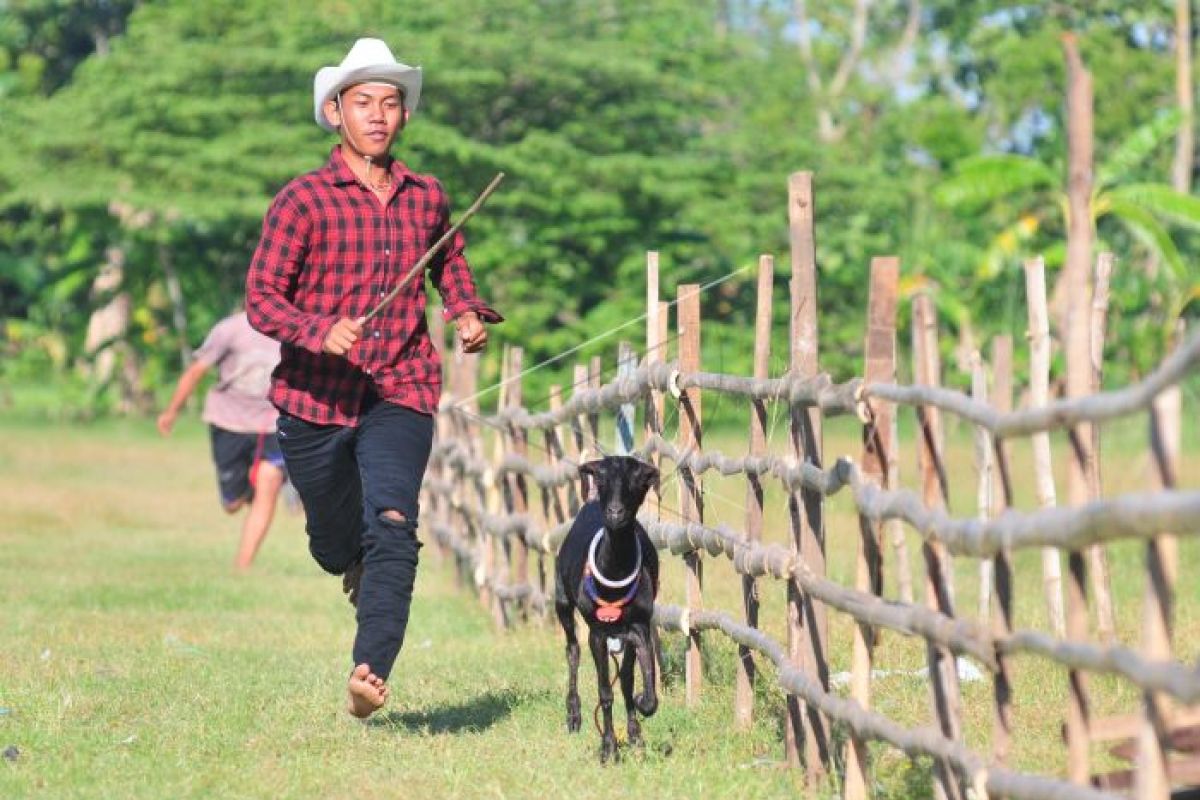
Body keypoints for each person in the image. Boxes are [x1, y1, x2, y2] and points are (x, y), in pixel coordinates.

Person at [245, 37, 501, 719]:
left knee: (392, 520)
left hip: (402, 389)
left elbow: (450, 266)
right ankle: (347, 558)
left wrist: (467, 311)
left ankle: (370, 670)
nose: (379, 115)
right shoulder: (302, 201)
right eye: (364, 102)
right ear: (335, 112)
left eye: (391, 103)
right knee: (336, 544)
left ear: (405, 116)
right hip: (314, 398)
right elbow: (262, 299)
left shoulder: (428, 198)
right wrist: (318, 329)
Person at [157, 308, 287, 572]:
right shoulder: (230, 329)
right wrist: (171, 411)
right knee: (232, 504)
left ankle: (242, 567)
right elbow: (196, 371)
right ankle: (244, 490)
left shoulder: (291, 331)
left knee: (269, 481)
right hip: (229, 422)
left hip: (272, 423)